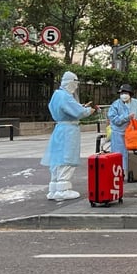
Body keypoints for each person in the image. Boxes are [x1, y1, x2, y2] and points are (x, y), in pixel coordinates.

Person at [41, 71, 97, 201]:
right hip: (69, 130)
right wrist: (88, 110)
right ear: (70, 82)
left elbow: (68, 109)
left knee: (57, 159)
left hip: (60, 129)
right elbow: (77, 112)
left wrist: (80, 107)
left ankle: (54, 189)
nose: (76, 87)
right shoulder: (66, 96)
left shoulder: (57, 95)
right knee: (67, 158)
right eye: (75, 83)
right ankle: (63, 190)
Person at [107, 83, 137, 173]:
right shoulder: (115, 105)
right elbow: (114, 119)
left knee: (133, 154)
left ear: (130, 94)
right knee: (119, 155)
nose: (123, 95)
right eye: (122, 93)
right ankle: (119, 173)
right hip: (119, 134)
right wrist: (126, 117)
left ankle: (133, 172)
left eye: (126, 93)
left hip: (133, 134)